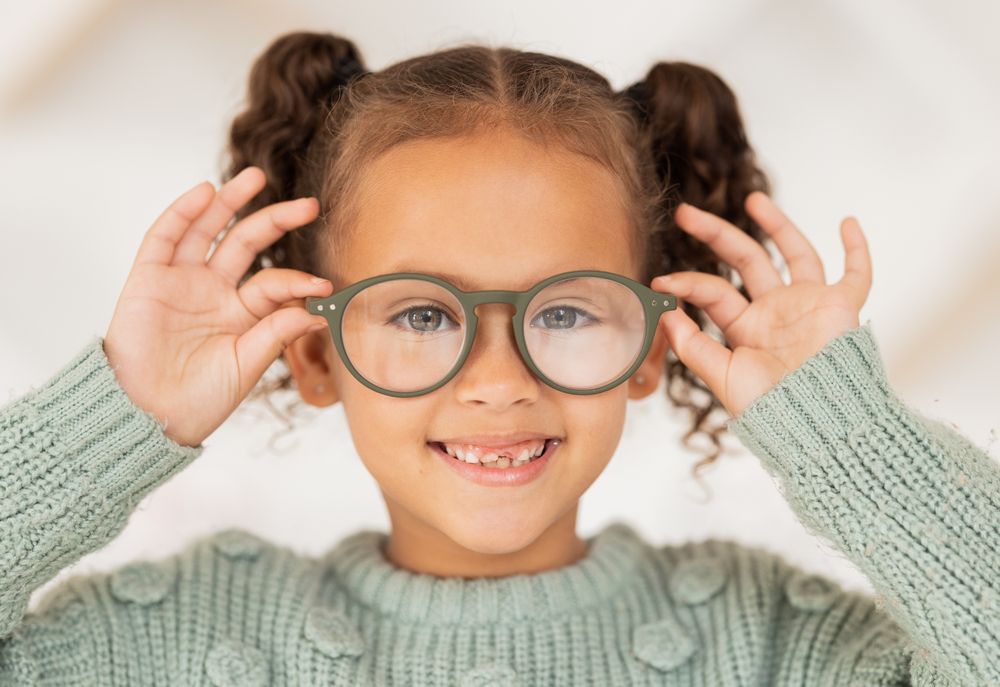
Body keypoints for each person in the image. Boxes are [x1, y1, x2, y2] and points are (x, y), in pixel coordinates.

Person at [1, 30, 997, 686]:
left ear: (651, 343)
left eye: (563, 311)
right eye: (420, 314)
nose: (498, 381)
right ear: (314, 353)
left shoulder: (776, 647)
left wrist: (849, 438)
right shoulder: (168, 640)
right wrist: (117, 413)